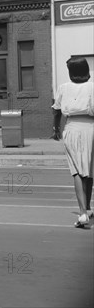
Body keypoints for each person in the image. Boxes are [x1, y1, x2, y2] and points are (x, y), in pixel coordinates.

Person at [52, 57, 94, 228]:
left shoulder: (63, 88)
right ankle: (89, 207)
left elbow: (56, 111)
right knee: (89, 169)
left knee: (77, 171)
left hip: (72, 127)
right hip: (91, 127)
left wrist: (55, 129)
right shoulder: (93, 86)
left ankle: (83, 213)